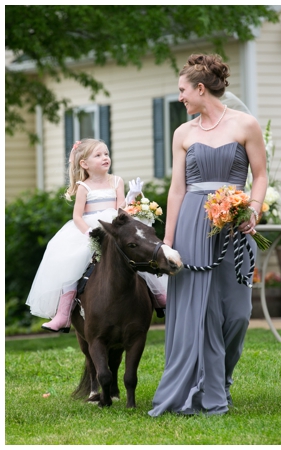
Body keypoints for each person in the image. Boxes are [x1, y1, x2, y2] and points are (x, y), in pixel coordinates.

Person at [149, 54, 267, 416]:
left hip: (234, 227)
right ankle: (211, 392)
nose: (180, 97)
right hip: (192, 228)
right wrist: (168, 242)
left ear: (200, 89)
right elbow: (177, 189)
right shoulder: (182, 133)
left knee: (236, 314)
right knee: (202, 314)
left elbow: (260, 176)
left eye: (183, 90)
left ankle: (221, 380)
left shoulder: (246, 125)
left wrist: (254, 209)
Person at [25, 139, 167, 332]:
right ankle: (63, 314)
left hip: (113, 226)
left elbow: (121, 211)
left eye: (106, 154)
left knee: (135, 254)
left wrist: (131, 197)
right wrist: (88, 232)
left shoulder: (116, 181)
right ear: (84, 163)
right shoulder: (84, 186)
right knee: (71, 266)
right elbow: (77, 216)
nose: (105, 158)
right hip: (90, 229)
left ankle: (159, 298)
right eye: (98, 155)